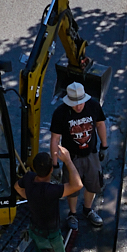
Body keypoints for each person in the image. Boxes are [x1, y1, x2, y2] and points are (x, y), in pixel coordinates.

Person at [16, 148, 82, 252]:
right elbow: (77, 185)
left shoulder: (29, 177)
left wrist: (29, 197)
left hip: (36, 230)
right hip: (50, 235)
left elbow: (17, 187)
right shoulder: (50, 191)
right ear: (51, 170)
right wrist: (68, 160)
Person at [49, 81, 108, 230]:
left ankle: (88, 210)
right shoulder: (60, 113)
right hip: (71, 157)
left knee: (94, 183)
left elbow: (100, 124)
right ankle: (73, 213)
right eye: (74, 104)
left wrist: (104, 146)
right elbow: (55, 139)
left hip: (91, 154)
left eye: (80, 103)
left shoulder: (93, 106)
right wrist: (55, 164)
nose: (78, 106)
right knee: (72, 187)